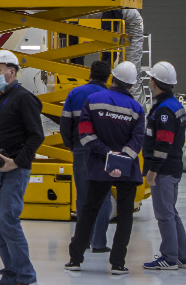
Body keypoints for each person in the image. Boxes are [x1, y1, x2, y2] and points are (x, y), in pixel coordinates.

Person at [65, 62, 146, 275]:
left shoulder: (92, 101)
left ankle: (75, 259)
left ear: (113, 78)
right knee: (125, 216)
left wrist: (107, 154)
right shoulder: (137, 108)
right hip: (127, 170)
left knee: (88, 211)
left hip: (99, 166)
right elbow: (138, 140)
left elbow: (85, 134)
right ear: (131, 85)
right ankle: (118, 263)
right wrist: (121, 159)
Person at [0, 50, 44, 285]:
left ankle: (25, 277)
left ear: (12, 71)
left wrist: (17, 162)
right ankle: (11, 274)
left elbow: (36, 135)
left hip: (14, 170)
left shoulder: (24, 98)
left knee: (7, 220)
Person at [60, 60, 114, 254]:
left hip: (81, 147)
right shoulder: (111, 96)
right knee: (104, 196)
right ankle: (99, 243)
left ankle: (83, 240)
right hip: (105, 150)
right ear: (108, 77)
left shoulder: (75, 93)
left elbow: (65, 123)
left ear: (90, 74)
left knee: (83, 195)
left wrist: (71, 144)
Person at [142, 61, 186, 271]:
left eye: (150, 78)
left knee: (164, 215)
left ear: (155, 82)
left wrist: (153, 170)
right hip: (173, 166)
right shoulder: (173, 105)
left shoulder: (164, 110)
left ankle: (169, 257)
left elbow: (163, 144)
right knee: (171, 212)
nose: (149, 82)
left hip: (164, 170)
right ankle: (183, 257)